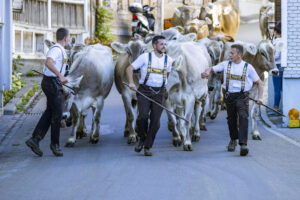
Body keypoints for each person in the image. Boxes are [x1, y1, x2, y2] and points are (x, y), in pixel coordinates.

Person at [201, 44, 263, 156]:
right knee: (231, 120)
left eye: (232, 53)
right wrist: (207, 72)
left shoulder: (248, 67)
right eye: (230, 53)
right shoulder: (225, 65)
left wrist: (260, 98)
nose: (229, 55)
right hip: (229, 96)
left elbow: (259, 83)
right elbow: (212, 68)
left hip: (242, 96)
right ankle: (233, 139)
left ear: (239, 55)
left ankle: (243, 144)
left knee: (243, 117)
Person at [25, 28, 69, 157]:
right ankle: (55, 144)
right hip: (52, 83)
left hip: (51, 83)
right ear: (66, 38)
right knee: (57, 114)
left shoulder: (59, 49)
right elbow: (48, 62)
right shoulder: (56, 49)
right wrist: (60, 76)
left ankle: (35, 139)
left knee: (50, 112)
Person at [126, 35, 173, 156]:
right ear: (154, 45)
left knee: (155, 122)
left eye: (165, 44)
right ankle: (142, 137)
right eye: (161, 44)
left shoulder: (169, 60)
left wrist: (161, 85)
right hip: (144, 91)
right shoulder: (145, 57)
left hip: (160, 92)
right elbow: (129, 68)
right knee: (142, 117)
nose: (164, 46)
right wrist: (131, 82)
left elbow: (166, 74)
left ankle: (147, 146)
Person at [272, 23, 283, 113]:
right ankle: (276, 107)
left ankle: (275, 108)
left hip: (276, 66)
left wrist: (269, 56)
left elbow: (277, 55)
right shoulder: (282, 40)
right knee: (279, 87)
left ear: (275, 31)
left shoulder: (278, 42)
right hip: (280, 66)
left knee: (276, 88)